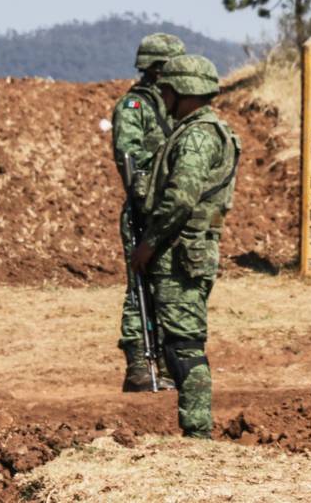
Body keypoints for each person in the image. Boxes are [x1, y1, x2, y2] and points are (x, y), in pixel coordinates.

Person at [129, 55, 241, 438]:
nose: (162, 98)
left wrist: (149, 243)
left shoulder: (196, 135)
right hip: (184, 250)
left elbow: (181, 198)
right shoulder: (199, 130)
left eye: (167, 91)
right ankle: (195, 430)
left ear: (183, 92)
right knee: (178, 341)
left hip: (179, 252)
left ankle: (197, 431)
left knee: (184, 344)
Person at [111, 33, 185, 391]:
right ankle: (140, 364)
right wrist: (146, 201)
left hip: (171, 208)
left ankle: (169, 365)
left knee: (170, 286)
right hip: (144, 211)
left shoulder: (176, 104)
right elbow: (129, 158)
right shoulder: (134, 107)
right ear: (157, 68)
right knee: (140, 285)